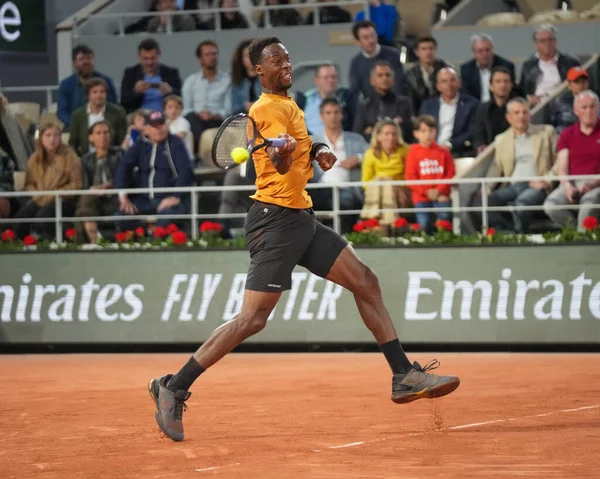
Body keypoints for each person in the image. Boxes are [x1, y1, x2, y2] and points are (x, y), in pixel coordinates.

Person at [148, 37, 459, 442]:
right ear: (260, 70)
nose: (286, 63)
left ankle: (403, 375)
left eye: (287, 57)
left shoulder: (290, 106)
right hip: (274, 221)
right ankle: (174, 385)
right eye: (277, 60)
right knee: (252, 319)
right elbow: (277, 163)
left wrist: (320, 150)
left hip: (300, 216)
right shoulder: (264, 108)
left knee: (365, 281)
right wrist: (281, 153)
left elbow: (303, 145)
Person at [473, 98, 557, 234]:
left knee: (522, 204)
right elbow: (496, 167)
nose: (521, 116)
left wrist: (547, 180)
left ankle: (519, 237)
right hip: (512, 186)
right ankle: (508, 233)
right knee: (479, 203)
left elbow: (560, 161)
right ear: (508, 117)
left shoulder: (547, 132)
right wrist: (487, 187)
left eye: (525, 112)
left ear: (530, 114)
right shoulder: (501, 139)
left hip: (536, 185)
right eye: (516, 113)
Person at [113, 111, 195, 231]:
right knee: (121, 216)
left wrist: (176, 196)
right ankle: (144, 236)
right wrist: (122, 194)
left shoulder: (176, 143)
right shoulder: (140, 145)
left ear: (167, 126)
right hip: (143, 199)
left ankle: (153, 238)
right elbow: (123, 166)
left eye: (161, 124)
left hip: (169, 198)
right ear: (145, 129)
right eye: (154, 126)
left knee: (167, 216)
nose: (158, 129)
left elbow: (186, 170)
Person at [14, 122, 82, 239]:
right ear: (41, 138)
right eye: (48, 135)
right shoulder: (34, 159)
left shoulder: (70, 156)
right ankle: (22, 246)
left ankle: (50, 246)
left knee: (44, 216)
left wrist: (54, 194)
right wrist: (37, 194)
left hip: (64, 200)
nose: (52, 139)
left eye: (56, 135)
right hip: (40, 198)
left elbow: (76, 184)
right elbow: (29, 184)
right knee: (21, 217)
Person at [543, 90, 600, 230]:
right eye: (584, 107)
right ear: (576, 111)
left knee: (588, 204)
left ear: (598, 108)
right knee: (551, 205)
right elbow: (562, 168)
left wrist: (592, 184)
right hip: (573, 181)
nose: (589, 111)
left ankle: (584, 241)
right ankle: (576, 234)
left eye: (593, 106)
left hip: (597, 182)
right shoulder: (567, 134)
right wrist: (568, 186)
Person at [311, 98, 369, 232]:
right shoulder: (312, 142)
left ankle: (342, 239)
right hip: (320, 189)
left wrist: (358, 158)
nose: (332, 117)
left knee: (346, 200)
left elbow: (374, 152)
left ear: (341, 115)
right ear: (322, 116)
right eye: (328, 113)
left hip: (347, 189)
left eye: (336, 112)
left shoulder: (355, 139)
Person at [405, 115, 455, 234]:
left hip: (442, 196)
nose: (428, 134)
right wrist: (428, 192)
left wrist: (438, 191)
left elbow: (451, 174)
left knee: (444, 219)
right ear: (416, 134)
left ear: (435, 132)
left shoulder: (444, 152)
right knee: (424, 224)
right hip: (421, 198)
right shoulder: (412, 152)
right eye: (423, 131)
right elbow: (410, 177)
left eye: (431, 131)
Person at [75, 121, 124, 243]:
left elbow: (126, 178)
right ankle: (93, 239)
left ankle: (90, 241)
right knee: (87, 199)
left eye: (106, 133)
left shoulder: (120, 154)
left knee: (83, 207)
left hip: (114, 198)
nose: (103, 136)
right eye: (98, 133)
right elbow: (85, 186)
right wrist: (94, 190)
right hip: (95, 200)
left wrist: (110, 185)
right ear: (91, 138)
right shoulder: (85, 160)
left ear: (110, 136)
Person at [360, 119, 411, 226]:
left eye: (394, 134)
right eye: (386, 134)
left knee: (385, 181)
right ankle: (388, 220)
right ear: (378, 136)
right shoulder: (370, 154)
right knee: (381, 181)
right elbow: (366, 182)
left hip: (402, 192)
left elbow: (409, 177)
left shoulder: (406, 150)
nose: (391, 137)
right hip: (376, 193)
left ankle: (372, 218)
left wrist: (390, 182)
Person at [420, 67, 478, 158]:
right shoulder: (428, 105)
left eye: (453, 80)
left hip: (458, 152)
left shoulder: (471, 104)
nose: (449, 85)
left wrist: (449, 145)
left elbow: (471, 132)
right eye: (444, 81)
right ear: (438, 86)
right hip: (431, 151)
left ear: (459, 83)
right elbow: (422, 129)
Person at [182, 40, 231, 148]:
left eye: (215, 54)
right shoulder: (191, 81)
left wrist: (214, 115)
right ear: (200, 60)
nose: (212, 57)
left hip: (217, 120)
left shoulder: (227, 80)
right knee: (190, 118)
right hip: (196, 119)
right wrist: (199, 114)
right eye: (208, 54)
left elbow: (228, 109)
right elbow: (186, 109)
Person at [57, 45, 118, 129]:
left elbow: (113, 106)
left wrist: (98, 122)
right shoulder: (66, 84)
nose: (86, 62)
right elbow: (62, 112)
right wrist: (78, 123)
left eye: (89, 58)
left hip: (103, 127)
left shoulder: (106, 81)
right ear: (74, 63)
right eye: (81, 59)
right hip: (75, 127)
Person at [519, 24, 580, 107]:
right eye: (543, 41)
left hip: (562, 105)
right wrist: (528, 98)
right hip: (536, 107)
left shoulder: (570, 63)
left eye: (550, 39)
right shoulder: (528, 65)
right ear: (536, 44)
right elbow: (522, 90)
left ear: (555, 41)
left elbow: (579, 87)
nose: (547, 43)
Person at [353, 61, 414, 143]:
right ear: (372, 81)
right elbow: (358, 135)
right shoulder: (364, 106)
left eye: (388, 75)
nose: (384, 78)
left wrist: (373, 130)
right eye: (380, 75)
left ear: (393, 80)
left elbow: (408, 133)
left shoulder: (404, 103)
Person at [120, 38, 182, 114]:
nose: (149, 62)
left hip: (166, 116)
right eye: (145, 59)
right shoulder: (130, 73)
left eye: (153, 58)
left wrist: (170, 91)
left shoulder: (171, 72)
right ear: (139, 56)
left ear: (159, 55)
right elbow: (124, 100)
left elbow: (181, 97)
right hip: (139, 118)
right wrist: (136, 91)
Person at [69, 78, 128, 156]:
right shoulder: (77, 115)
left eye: (102, 92)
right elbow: (73, 144)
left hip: (113, 159)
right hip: (85, 160)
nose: (99, 95)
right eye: (95, 92)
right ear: (88, 95)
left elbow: (123, 139)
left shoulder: (118, 113)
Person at [295, 63, 356, 135]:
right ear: (316, 80)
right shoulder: (305, 99)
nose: (330, 80)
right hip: (311, 143)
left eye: (333, 77)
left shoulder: (347, 99)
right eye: (326, 77)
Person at [349, 20, 404, 100]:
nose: (371, 40)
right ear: (358, 42)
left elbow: (399, 86)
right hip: (369, 108)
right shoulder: (356, 62)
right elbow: (354, 91)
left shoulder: (393, 55)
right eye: (366, 37)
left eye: (373, 36)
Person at [472, 66, 516, 154]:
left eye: (506, 81)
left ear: (511, 85)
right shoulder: (483, 108)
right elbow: (478, 132)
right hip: (489, 154)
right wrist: (480, 145)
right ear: (491, 86)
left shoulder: (518, 107)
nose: (502, 85)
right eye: (498, 81)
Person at [460, 33, 515, 102]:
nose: (485, 54)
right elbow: (467, 95)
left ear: (492, 50)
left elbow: (510, 92)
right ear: (474, 52)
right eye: (480, 51)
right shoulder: (466, 69)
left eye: (487, 50)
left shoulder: (506, 66)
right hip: (475, 108)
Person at [402, 37, 448, 114]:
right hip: (420, 113)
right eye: (424, 49)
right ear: (416, 52)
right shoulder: (410, 74)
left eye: (431, 48)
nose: (428, 52)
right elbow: (410, 100)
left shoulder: (446, 70)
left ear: (435, 50)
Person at [547, 66, 590, 133]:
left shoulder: (596, 101)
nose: (581, 85)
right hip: (566, 138)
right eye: (577, 82)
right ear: (569, 85)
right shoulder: (559, 102)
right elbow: (551, 125)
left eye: (584, 81)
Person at [230, 39, 262, 115]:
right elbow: (233, 108)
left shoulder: (268, 79)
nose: (251, 59)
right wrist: (245, 107)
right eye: (247, 56)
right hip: (243, 119)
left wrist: (256, 105)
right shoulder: (236, 82)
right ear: (241, 59)